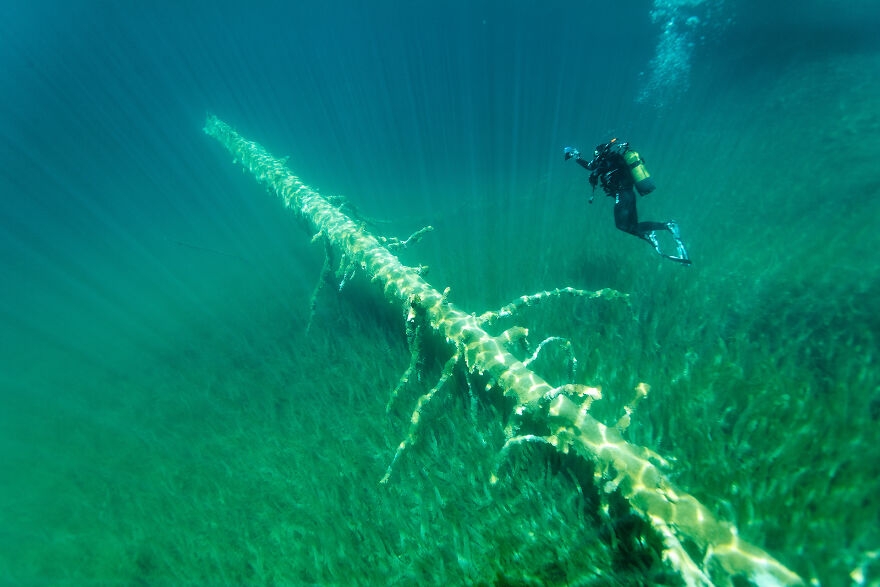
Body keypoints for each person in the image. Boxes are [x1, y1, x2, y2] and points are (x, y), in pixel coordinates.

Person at [564, 138, 691, 265]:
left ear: (601, 154)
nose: (595, 160)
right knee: (633, 225)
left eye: (596, 156)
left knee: (621, 225)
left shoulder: (608, 161)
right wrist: (577, 158)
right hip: (629, 194)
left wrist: (593, 173)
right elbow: (591, 166)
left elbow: (594, 168)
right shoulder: (616, 159)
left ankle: (656, 231)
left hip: (622, 195)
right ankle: (662, 228)